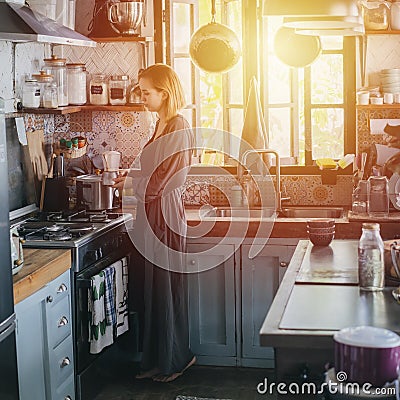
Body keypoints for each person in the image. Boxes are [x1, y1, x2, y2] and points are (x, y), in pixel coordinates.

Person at [113, 63, 196, 383]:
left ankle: (176, 360)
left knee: (167, 290)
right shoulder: (161, 123)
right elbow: (150, 169)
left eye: (146, 92)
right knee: (151, 291)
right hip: (151, 213)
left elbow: (162, 180)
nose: (141, 96)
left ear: (164, 93)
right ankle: (155, 359)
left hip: (166, 213)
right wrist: (129, 176)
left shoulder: (178, 126)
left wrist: (130, 185)